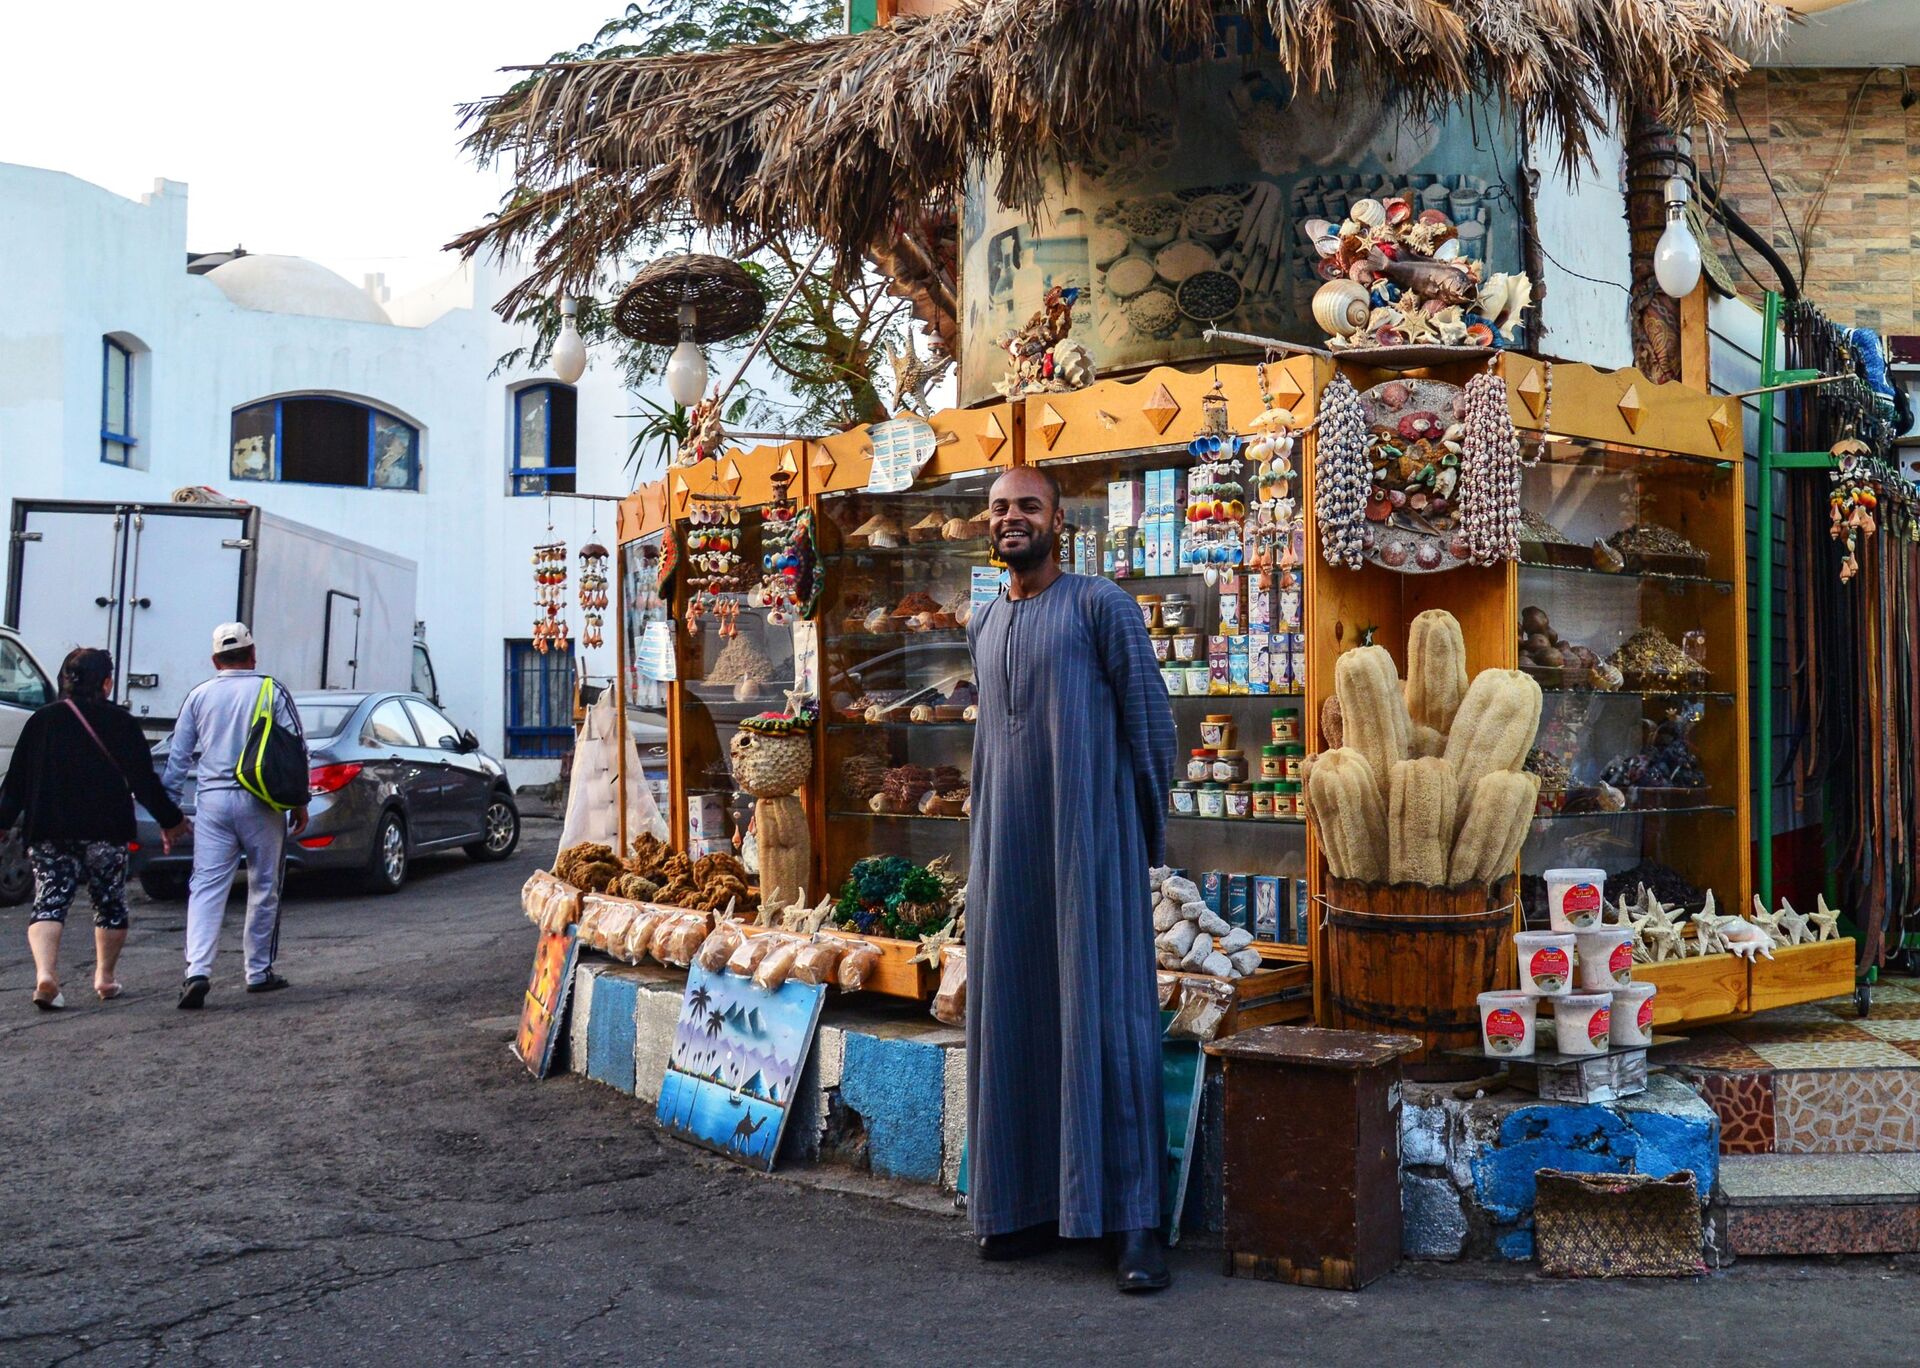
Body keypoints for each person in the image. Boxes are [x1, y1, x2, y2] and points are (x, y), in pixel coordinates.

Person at [964, 465, 1178, 1293]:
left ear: (1060, 520)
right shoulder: (984, 620)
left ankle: (1132, 1226)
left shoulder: (1101, 605)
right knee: (1015, 1013)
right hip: (1007, 856)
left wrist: (1135, 838)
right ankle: (1023, 1206)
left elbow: (1153, 724)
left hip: (1092, 847)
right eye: (999, 509)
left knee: (1109, 1022)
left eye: (1027, 506)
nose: (1011, 519)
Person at [0, 648, 190, 1008]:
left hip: (49, 828)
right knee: (109, 903)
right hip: (105, 828)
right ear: (106, 683)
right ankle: (104, 978)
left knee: (49, 901)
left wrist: (2, 823)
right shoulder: (121, 723)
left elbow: (17, 782)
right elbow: (144, 781)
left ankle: (46, 976)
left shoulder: (41, 721)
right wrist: (172, 820)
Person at [162, 623, 308, 1009]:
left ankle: (197, 971)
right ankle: (258, 972)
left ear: (215, 660)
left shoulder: (198, 695)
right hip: (261, 802)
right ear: (253, 653)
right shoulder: (271, 689)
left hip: (212, 803)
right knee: (264, 884)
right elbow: (296, 748)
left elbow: (179, 758)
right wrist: (299, 801)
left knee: (206, 887)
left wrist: (169, 812)